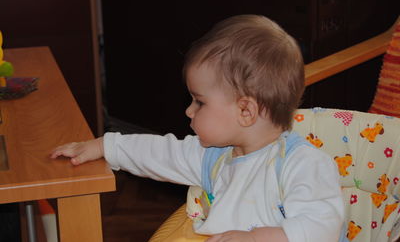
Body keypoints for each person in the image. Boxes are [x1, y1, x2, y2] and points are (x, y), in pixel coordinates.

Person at [51, 15, 344, 242]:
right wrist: (106, 146)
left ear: (246, 111)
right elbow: (160, 154)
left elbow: (323, 226)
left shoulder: (302, 165)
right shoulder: (214, 156)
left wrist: (257, 237)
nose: (188, 110)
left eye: (199, 102)